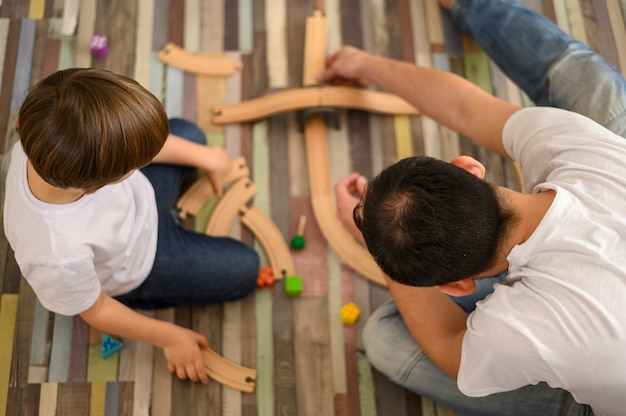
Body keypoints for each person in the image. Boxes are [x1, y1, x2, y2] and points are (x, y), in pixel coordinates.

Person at [319, 0, 626, 414]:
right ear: (468, 167)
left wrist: (383, 248)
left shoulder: (522, 329)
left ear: (457, 285)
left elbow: (450, 348)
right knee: (581, 79)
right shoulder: (575, 146)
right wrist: (366, 64)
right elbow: (465, 106)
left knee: (384, 338)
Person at [4, 68, 259, 384]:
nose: (141, 161)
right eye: (133, 164)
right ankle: (142, 296)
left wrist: (207, 157)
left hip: (142, 202)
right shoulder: (59, 256)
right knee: (246, 269)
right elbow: (94, 308)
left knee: (190, 135)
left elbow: (129, 146)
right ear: (98, 184)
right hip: (141, 264)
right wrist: (170, 337)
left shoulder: (39, 142)